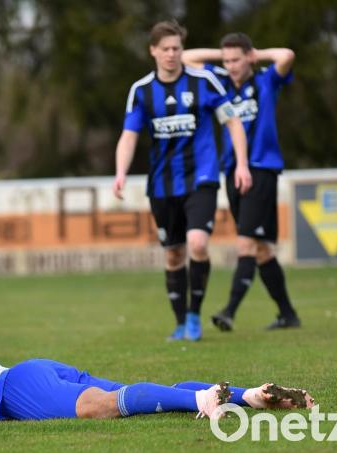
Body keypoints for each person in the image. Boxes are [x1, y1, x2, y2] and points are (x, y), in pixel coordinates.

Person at [112, 20, 252, 342]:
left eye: (177, 48)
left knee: (198, 243)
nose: (172, 54)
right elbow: (129, 136)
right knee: (174, 254)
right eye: (166, 49)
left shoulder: (204, 82)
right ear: (153, 51)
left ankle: (193, 316)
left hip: (201, 176)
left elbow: (233, 123)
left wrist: (241, 165)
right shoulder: (142, 91)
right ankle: (179, 322)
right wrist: (121, 171)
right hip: (162, 184)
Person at [0, 332, 315, 421]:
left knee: (101, 407)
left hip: (16, 390)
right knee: (128, 396)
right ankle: (250, 396)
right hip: (32, 372)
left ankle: (202, 402)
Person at [181, 33, 301, 331]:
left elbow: (286, 54)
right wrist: (223, 57)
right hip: (232, 169)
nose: (231, 65)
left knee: (246, 242)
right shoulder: (219, 81)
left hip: (260, 168)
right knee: (262, 249)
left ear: (248, 57)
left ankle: (229, 311)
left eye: (236, 59)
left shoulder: (265, 80)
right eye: (227, 60)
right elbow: (187, 59)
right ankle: (288, 314)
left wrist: (254, 54)